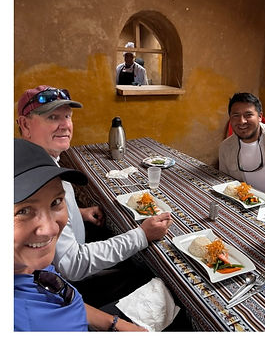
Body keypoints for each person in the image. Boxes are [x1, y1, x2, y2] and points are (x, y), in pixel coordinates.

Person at [16, 86, 171, 307]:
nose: (65, 125)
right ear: (25, 125)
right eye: (52, 117)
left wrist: (78, 213)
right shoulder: (36, 183)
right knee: (147, 274)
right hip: (64, 289)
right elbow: (73, 265)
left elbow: (45, 215)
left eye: (67, 116)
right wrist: (142, 235)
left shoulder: (40, 164)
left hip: (64, 267)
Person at [14, 137, 147, 331]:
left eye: (56, 202)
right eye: (23, 211)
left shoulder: (28, 267)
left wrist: (114, 323)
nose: (50, 229)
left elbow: (62, 293)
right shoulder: (29, 322)